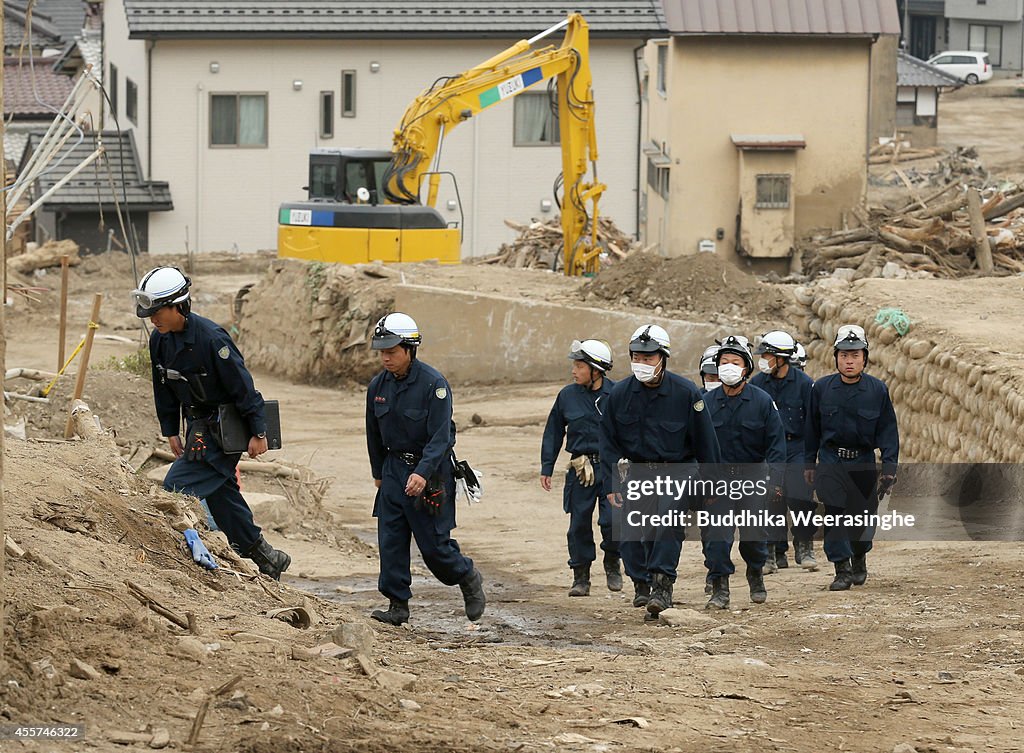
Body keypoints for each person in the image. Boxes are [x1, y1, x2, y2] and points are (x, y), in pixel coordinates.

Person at [135, 267, 291, 579]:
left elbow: (243, 387)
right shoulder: (159, 341)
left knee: (175, 488)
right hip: (197, 429)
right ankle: (269, 559)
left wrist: (259, 432)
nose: (153, 319)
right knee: (222, 498)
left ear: (178, 305)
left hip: (224, 431)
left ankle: (177, 560)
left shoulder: (212, 339)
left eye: (158, 312)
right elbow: (162, 388)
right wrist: (170, 430)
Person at [365, 313, 485, 625]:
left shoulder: (435, 385)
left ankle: (467, 575)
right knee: (390, 541)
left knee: (434, 549)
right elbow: (373, 433)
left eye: (391, 352)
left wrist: (421, 472)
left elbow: (441, 437)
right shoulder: (377, 386)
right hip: (393, 471)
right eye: (382, 352)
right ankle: (397, 604)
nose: (385, 358)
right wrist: (379, 473)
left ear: (409, 349)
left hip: (430, 474)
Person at [600, 325, 721, 621]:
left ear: (663, 358)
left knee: (667, 521)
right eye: (637, 356)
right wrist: (611, 484)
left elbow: (707, 443)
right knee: (628, 532)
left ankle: (662, 585)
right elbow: (608, 443)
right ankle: (642, 583)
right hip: (640, 472)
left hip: (679, 470)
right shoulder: (619, 395)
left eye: (649, 357)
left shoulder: (686, 392)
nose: (642, 362)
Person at [804, 325, 899, 591]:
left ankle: (859, 556)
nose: (849, 360)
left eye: (855, 355)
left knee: (862, 518)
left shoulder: (877, 390)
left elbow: (889, 432)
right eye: (844, 355)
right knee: (834, 514)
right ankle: (841, 570)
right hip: (831, 461)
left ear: (865, 358)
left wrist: (889, 469)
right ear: (835, 357)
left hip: (863, 462)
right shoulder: (821, 389)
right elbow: (811, 429)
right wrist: (808, 463)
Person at [702, 335, 786, 610]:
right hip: (718, 479)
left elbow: (776, 443)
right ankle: (720, 587)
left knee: (753, 537)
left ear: (746, 368)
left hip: (753, 477)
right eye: (724, 361)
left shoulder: (762, 402)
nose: (728, 366)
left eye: (735, 362)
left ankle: (755, 572)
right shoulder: (705, 403)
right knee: (716, 537)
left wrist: (775, 480)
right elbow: (695, 444)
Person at [541, 339, 621, 597]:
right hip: (580, 469)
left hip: (612, 469)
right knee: (578, 525)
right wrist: (547, 466)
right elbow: (553, 431)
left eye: (579, 366)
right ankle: (581, 576)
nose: (573, 371)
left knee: (612, 521)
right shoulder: (567, 395)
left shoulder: (618, 394)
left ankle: (612, 560)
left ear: (596, 369)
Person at [750, 330, 818, 572]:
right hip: (769, 449)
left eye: (768, 355)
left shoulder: (804, 384)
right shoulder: (757, 384)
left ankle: (804, 545)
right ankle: (768, 553)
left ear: (781, 358)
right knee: (769, 499)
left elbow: (813, 421)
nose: (763, 360)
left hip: (797, 446)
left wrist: (811, 456)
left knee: (801, 497)